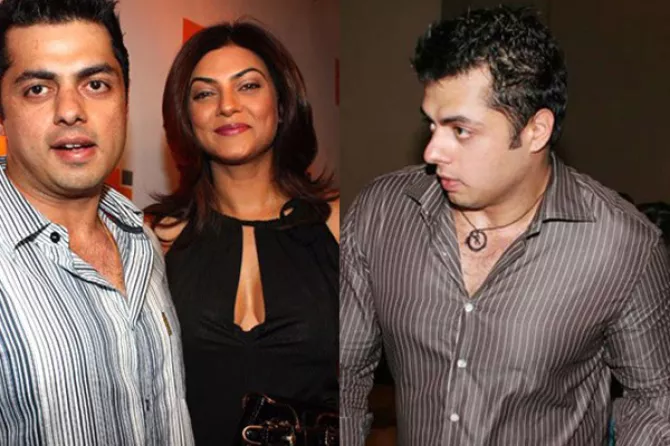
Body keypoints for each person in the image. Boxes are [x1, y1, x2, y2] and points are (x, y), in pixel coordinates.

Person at [340, 5, 670, 445]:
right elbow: (344, 373)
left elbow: (655, 402)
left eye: (460, 130)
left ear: (536, 131)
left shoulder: (623, 246)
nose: (432, 151)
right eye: (431, 125)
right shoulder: (383, 213)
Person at [0, 0, 193, 444]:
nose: (70, 110)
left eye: (95, 84)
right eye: (37, 89)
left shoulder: (143, 240)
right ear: (2, 113)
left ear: (124, 101)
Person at [146, 21, 339, 445]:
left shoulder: (342, 226)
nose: (227, 106)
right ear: (186, 116)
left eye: (248, 86)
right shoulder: (155, 238)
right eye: (204, 93)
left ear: (282, 104)